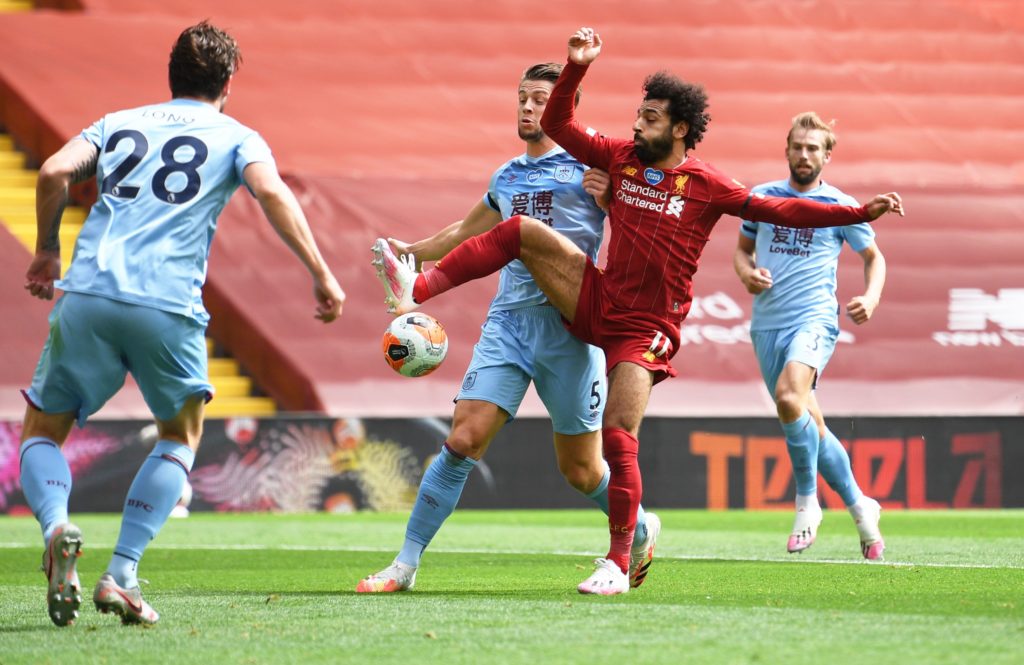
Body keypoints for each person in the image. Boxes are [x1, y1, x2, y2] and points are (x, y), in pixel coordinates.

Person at [371, 26, 903, 595]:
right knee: (521, 231)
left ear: (678, 128)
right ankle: (415, 293)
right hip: (595, 300)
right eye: (637, 114)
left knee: (615, 436)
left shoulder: (706, 184)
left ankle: (619, 564)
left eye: (649, 116)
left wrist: (854, 214)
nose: (635, 123)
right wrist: (578, 67)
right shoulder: (618, 159)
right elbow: (560, 125)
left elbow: (780, 209)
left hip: (647, 328)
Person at [20, 21, 344, 627]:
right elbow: (272, 194)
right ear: (227, 85)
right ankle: (121, 573)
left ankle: (59, 526)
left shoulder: (118, 122)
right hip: (167, 304)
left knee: (43, 430)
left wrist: (45, 250)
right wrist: (321, 272)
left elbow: (52, 173)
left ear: (170, 76)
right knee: (178, 437)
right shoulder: (237, 135)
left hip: (88, 292)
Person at [358, 63, 659, 595]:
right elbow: (464, 232)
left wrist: (612, 200)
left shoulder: (590, 168)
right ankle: (403, 565)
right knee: (463, 438)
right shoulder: (507, 176)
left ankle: (638, 523)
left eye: (539, 98)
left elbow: (641, 229)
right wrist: (411, 251)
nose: (526, 107)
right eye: (521, 97)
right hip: (510, 325)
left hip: (572, 330)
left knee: (583, 472)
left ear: (564, 106)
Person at [734, 112, 886, 559]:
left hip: (814, 319)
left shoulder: (841, 206)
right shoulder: (761, 198)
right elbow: (742, 252)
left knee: (787, 398)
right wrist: (747, 275)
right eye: (798, 146)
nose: (804, 154)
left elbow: (874, 257)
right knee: (811, 424)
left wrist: (872, 297)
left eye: (813, 148)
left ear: (827, 155)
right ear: (787, 150)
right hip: (767, 325)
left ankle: (806, 503)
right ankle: (862, 509)